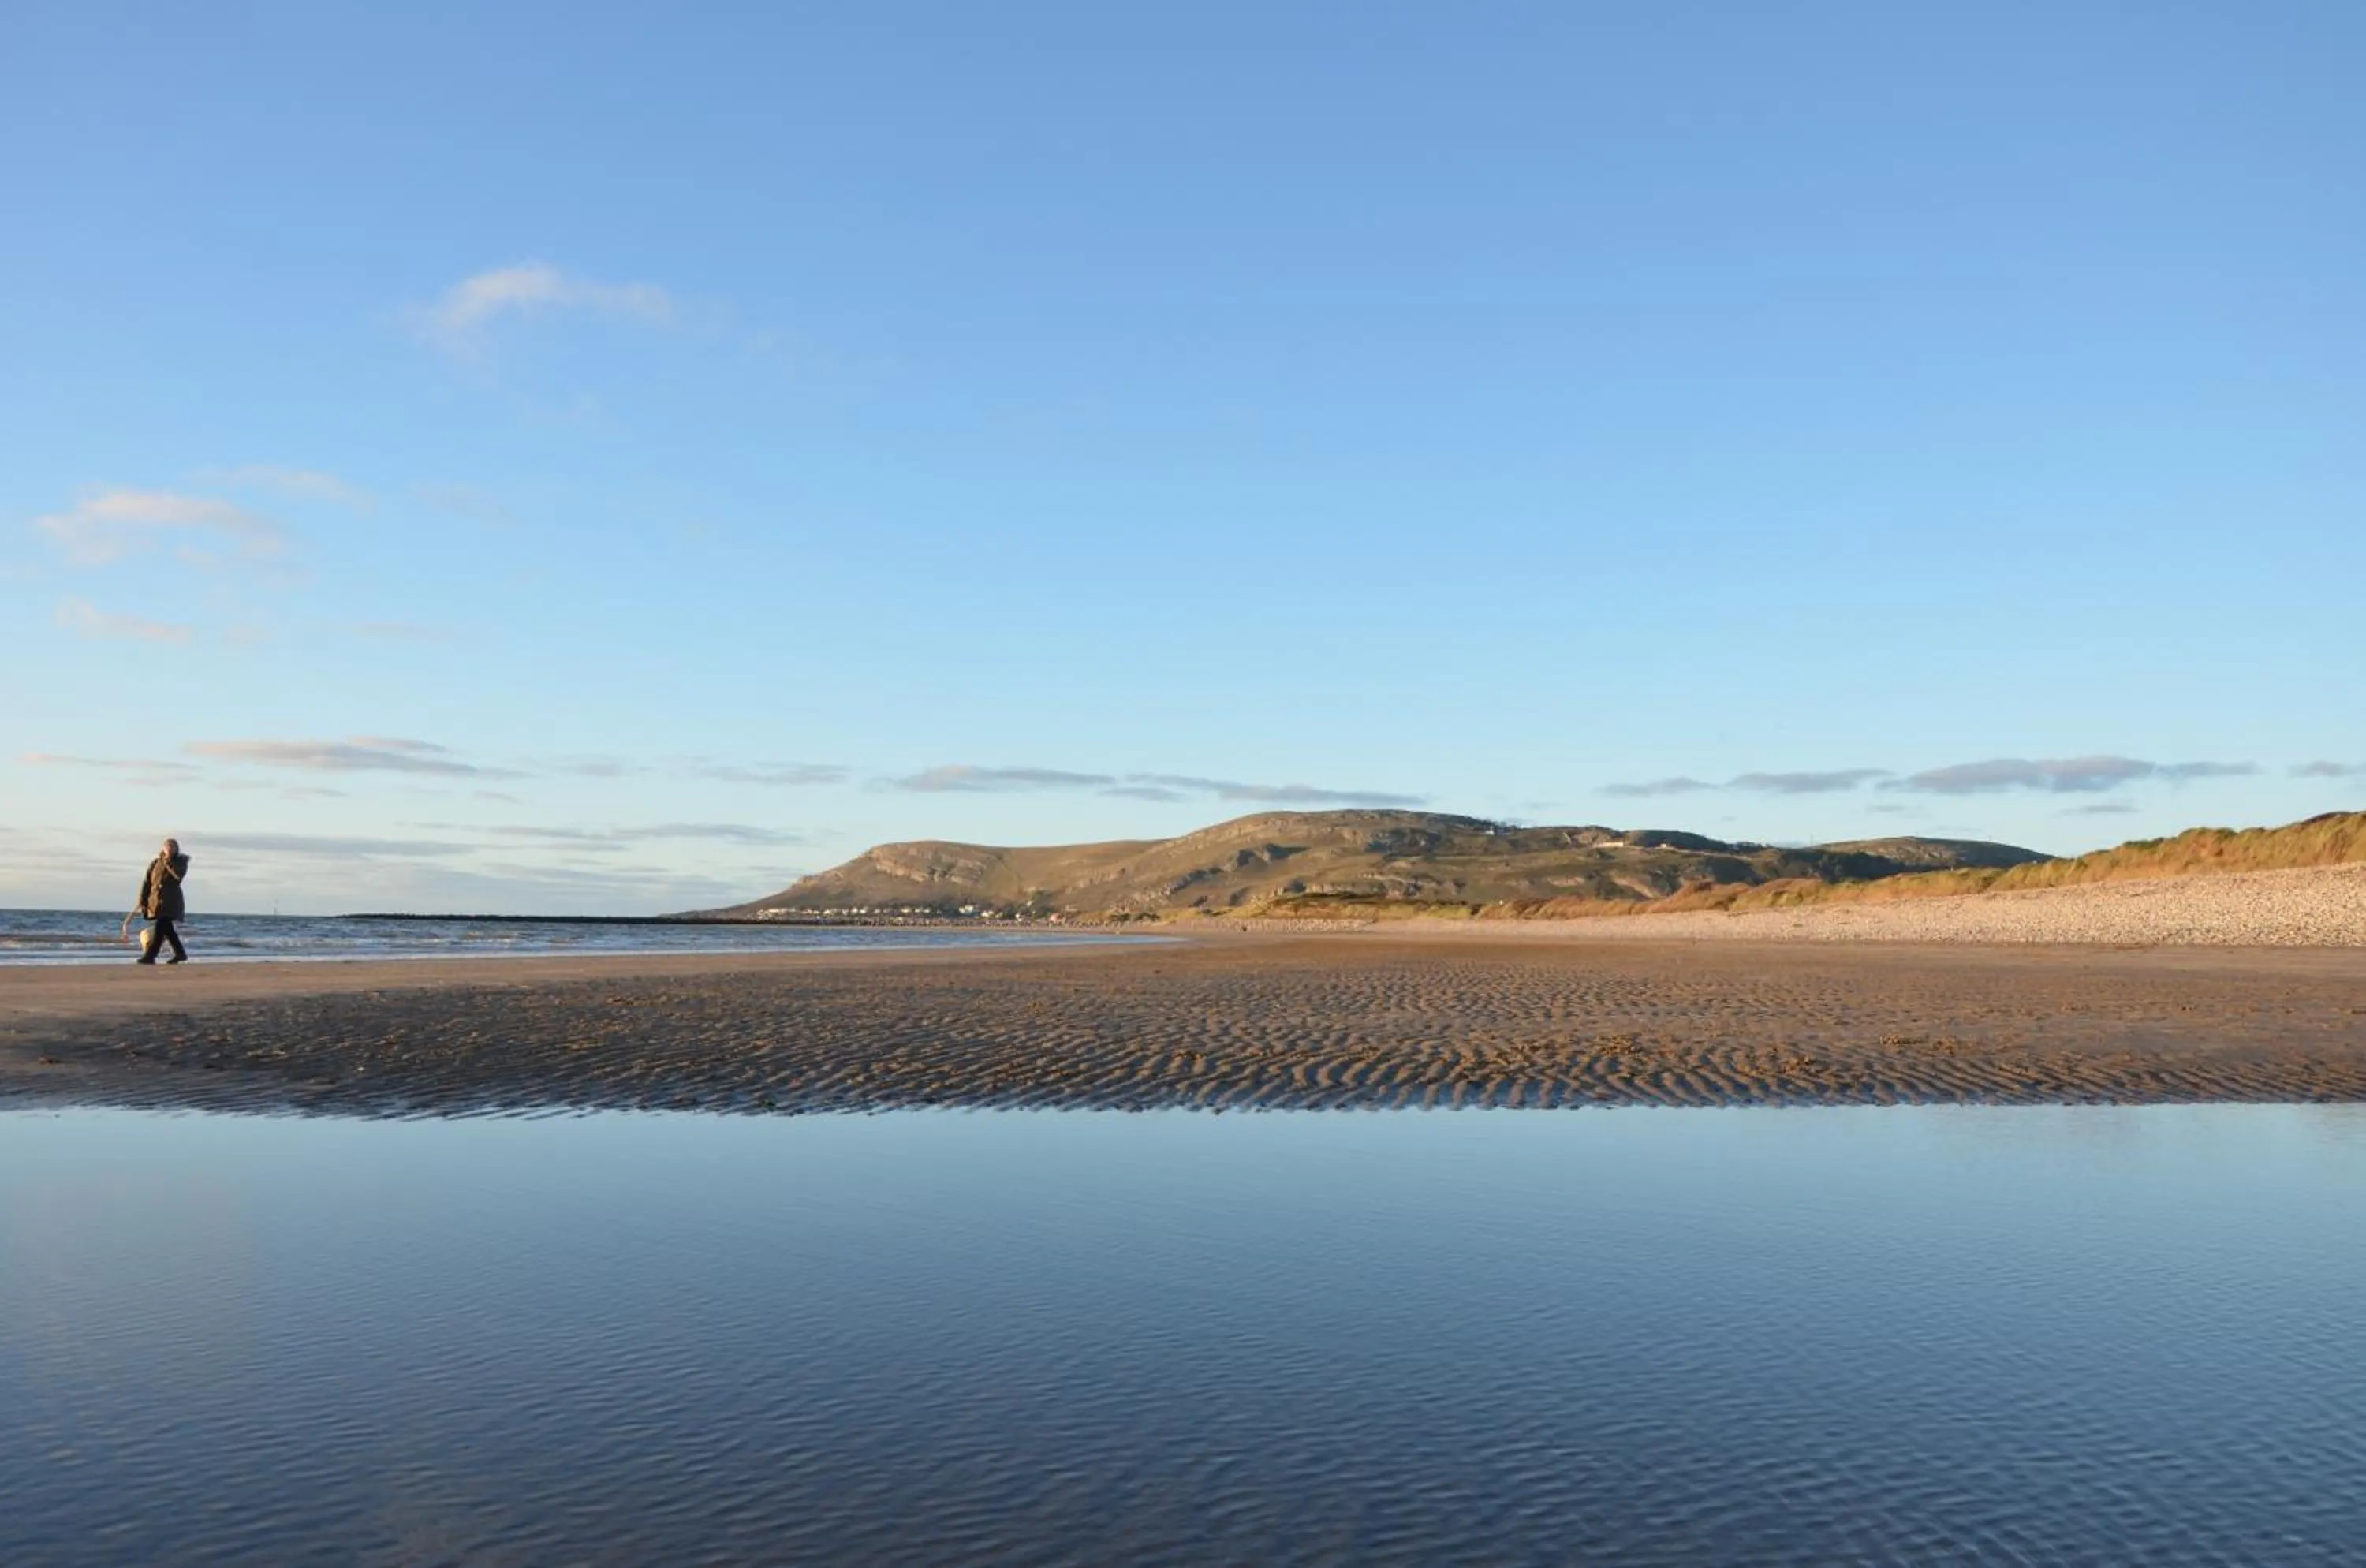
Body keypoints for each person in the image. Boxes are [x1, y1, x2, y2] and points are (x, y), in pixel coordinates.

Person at [131, 838, 192, 965]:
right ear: (163, 848)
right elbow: (147, 881)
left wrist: (168, 862)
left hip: (171, 900)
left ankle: (150, 955)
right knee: (167, 929)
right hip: (155, 899)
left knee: (161, 926)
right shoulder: (155, 862)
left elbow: (178, 877)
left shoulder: (181, 862)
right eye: (167, 847)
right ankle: (180, 953)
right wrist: (142, 899)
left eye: (172, 847)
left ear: (176, 849)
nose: (169, 849)